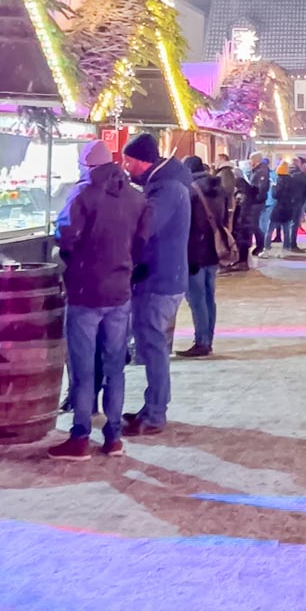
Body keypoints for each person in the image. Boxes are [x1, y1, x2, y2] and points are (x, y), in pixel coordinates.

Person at [50, 140, 148, 460]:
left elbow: (65, 235)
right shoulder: (136, 196)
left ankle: (80, 436)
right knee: (114, 365)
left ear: (87, 166)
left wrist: (73, 259)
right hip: (120, 291)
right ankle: (114, 436)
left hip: (85, 292)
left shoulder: (82, 194)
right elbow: (144, 240)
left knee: (82, 368)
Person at [121, 133, 192, 434]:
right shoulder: (165, 184)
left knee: (152, 346)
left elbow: (146, 228)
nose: (125, 166)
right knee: (151, 345)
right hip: (163, 275)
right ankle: (153, 406)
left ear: (141, 161)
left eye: (128, 160)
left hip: (160, 277)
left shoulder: (166, 188)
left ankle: (155, 413)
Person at [180, 155, 229, 357]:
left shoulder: (191, 190)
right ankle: (207, 338)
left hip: (195, 252)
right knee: (209, 297)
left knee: (196, 298)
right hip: (214, 250)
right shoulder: (219, 190)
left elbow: (187, 225)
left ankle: (202, 341)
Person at [231, 172, 260, 271]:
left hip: (243, 219)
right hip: (246, 219)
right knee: (243, 240)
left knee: (241, 239)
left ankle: (242, 262)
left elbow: (242, 204)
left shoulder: (240, 186)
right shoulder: (245, 186)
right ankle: (242, 262)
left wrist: (239, 219)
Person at [286, 156, 306, 251]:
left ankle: (287, 244)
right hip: (297, 201)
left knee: (288, 224)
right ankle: (292, 244)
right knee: (294, 223)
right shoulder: (300, 175)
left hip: (287, 201)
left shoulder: (286, 173)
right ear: (298, 164)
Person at [249, 153, 270, 255]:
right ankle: (260, 245)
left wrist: (255, 198)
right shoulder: (257, 171)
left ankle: (261, 245)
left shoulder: (261, 171)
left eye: (250, 159)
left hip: (257, 202)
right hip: (255, 201)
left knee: (254, 224)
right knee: (254, 224)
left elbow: (261, 188)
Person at [269, 161, 294, 249]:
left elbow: (276, 195)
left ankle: (266, 246)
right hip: (288, 207)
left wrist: (273, 187)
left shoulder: (279, 180)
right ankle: (286, 246)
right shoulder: (291, 179)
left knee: (270, 228)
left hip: (279, 207)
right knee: (286, 229)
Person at [214, 153, 237, 226]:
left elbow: (226, 189)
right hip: (226, 205)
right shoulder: (224, 172)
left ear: (222, 160)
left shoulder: (225, 172)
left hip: (226, 206)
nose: (215, 162)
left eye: (217, 160)